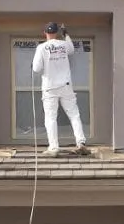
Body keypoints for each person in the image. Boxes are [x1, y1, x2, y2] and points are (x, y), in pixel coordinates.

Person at [32, 22, 88, 156]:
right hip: (66, 86)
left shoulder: (42, 48)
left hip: (50, 87)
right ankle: (81, 143)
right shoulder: (64, 45)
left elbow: (36, 68)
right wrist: (66, 34)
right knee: (74, 115)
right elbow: (72, 49)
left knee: (51, 117)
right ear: (56, 33)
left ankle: (54, 147)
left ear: (45, 33)